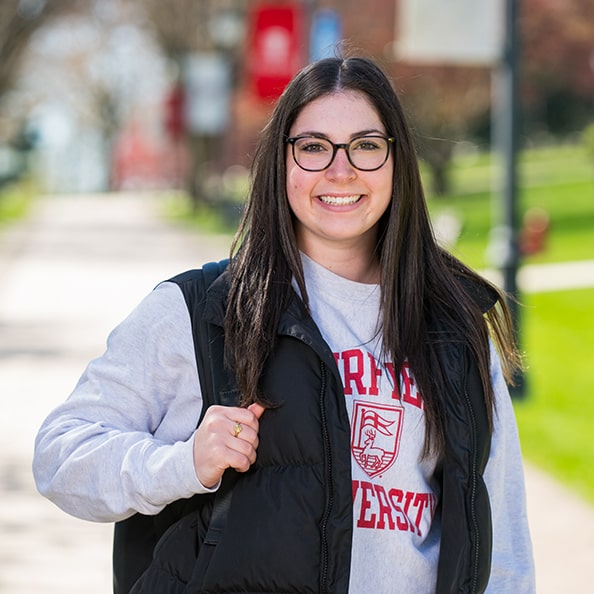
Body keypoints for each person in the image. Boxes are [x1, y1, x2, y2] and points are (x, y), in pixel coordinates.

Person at [33, 55, 535, 593]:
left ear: (397, 161)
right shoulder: (204, 311)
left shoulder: (453, 328)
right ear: (281, 162)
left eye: (366, 145)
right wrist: (183, 464)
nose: (340, 171)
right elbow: (60, 456)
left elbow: (501, 542)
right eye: (314, 147)